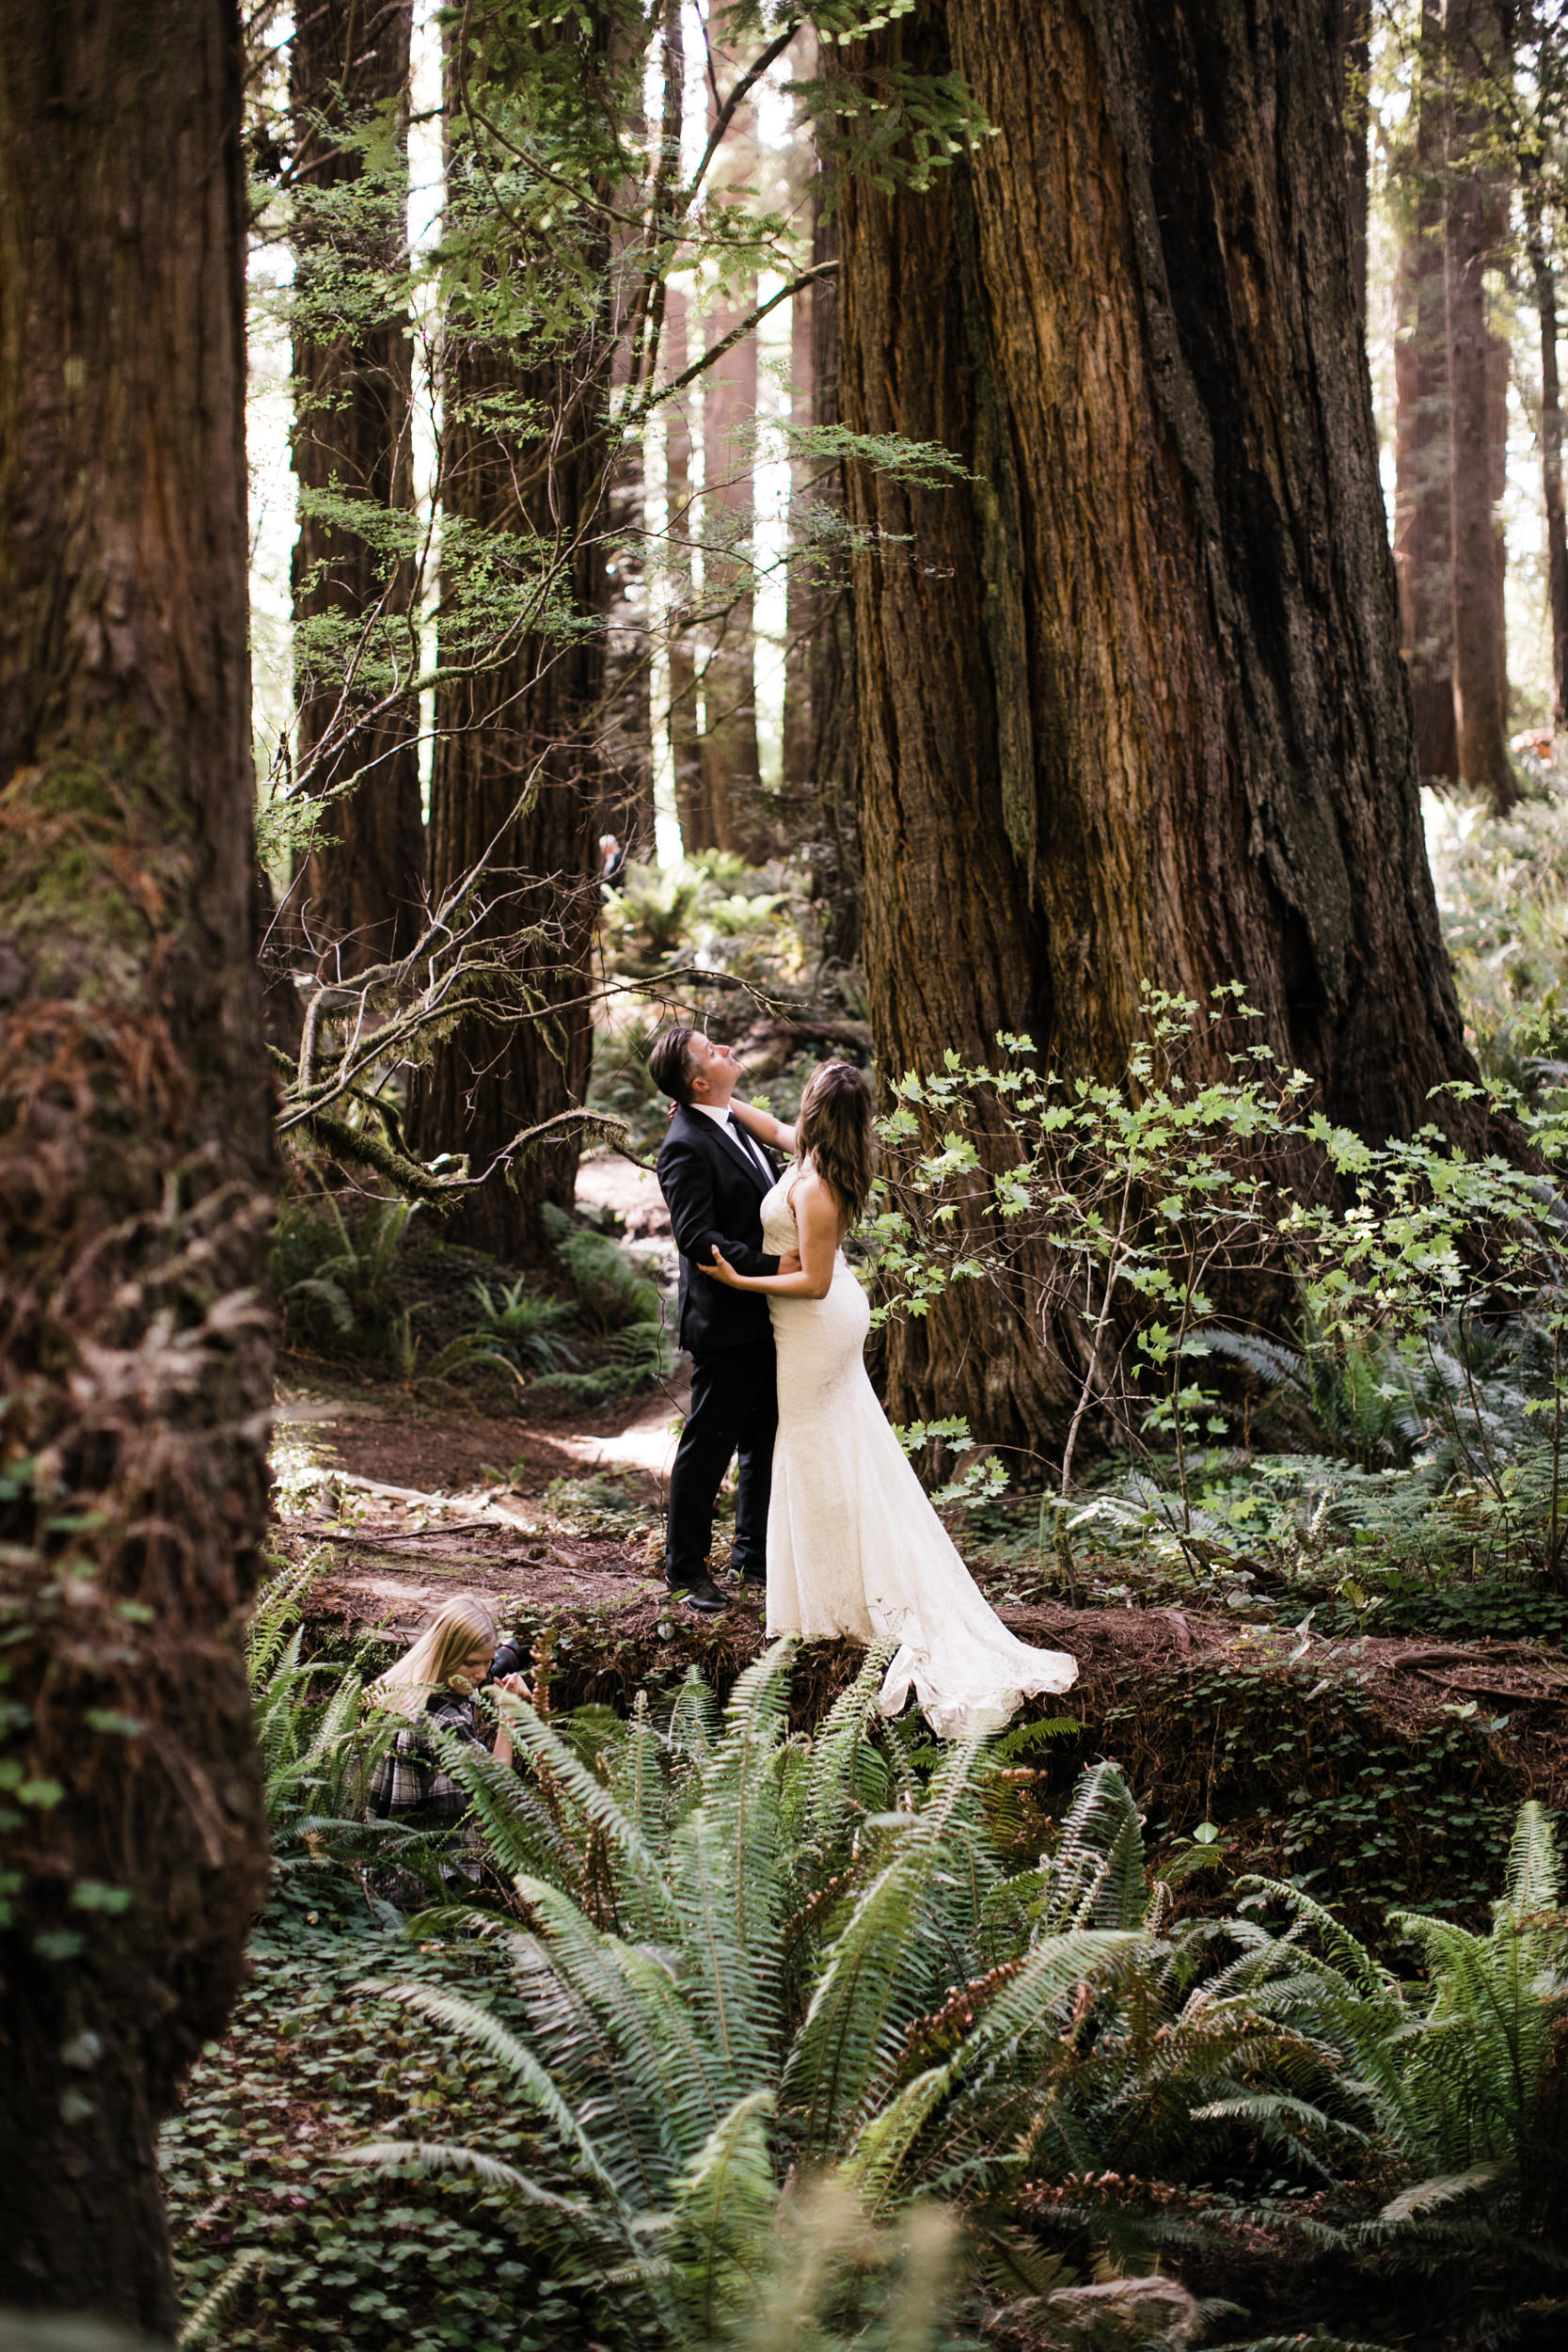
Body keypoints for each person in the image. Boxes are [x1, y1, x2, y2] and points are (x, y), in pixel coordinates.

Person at [703, 1061, 1078, 1738]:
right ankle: (830, 1586)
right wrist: (719, 1108)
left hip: (816, 1325)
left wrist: (740, 1279)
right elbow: (765, 1124)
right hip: (813, 1325)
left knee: (813, 1444)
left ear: (817, 1106)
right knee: (833, 1447)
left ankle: (841, 1596)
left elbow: (815, 1284)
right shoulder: (811, 1154)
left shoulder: (817, 1186)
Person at [649, 1025, 795, 1612]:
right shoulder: (684, 1143)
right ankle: (684, 1570)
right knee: (708, 1446)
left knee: (763, 1439)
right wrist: (772, 1264)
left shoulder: (731, 1121)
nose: (726, 1049)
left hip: (766, 1313)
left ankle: (752, 1560)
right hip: (728, 1321)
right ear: (699, 1080)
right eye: (711, 1051)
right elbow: (696, 1237)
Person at [364, 1594, 529, 1823]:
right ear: (444, 1654)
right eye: (470, 1663)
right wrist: (509, 1713)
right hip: (440, 1855)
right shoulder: (448, 1722)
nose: (482, 1675)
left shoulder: (404, 1696)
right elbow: (497, 1790)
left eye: (488, 1661)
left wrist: (476, 1707)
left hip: (390, 1849)